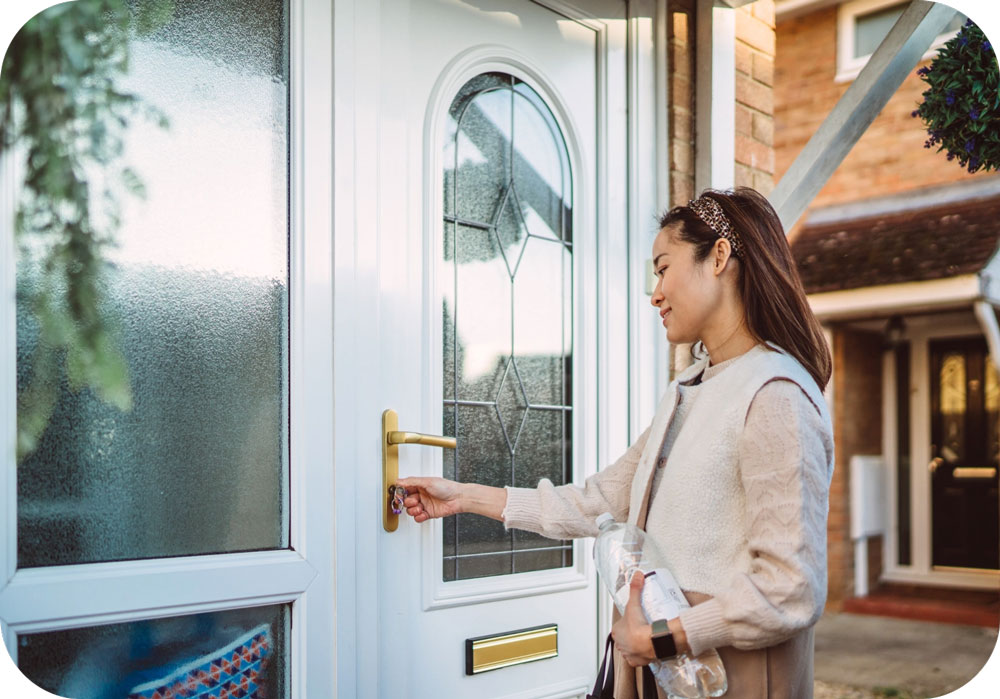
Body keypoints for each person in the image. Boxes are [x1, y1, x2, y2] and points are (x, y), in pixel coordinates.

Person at [398, 187, 835, 699]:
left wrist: (664, 639)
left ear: (718, 256)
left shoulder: (774, 395)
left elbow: (791, 588)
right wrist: (465, 497)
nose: (655, 293)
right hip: (667, 671)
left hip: (728, 679)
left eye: (663, 267)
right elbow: (598, 501)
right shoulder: (690, 390)